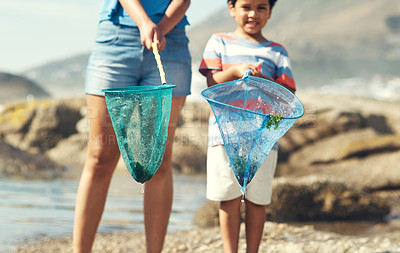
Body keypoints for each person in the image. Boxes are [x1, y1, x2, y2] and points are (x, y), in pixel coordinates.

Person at [73, 0, 191, 252]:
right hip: (116, 39)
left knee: (158, 159)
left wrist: (161, 26)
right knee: (99, 157)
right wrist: (145, 22)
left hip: (172, 41)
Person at [199, 0, 296, 252]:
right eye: (246, 7)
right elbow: (211, 84)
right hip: (224, 136)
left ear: (270, 12)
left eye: (261, 7)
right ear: (231, 8)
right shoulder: (219, 41)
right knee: (228, 197)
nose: (253, 14)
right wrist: (236, 72)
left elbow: (287, 98)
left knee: (257, 200)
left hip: (263, 140)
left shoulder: (277, 52)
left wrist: (263, 79)